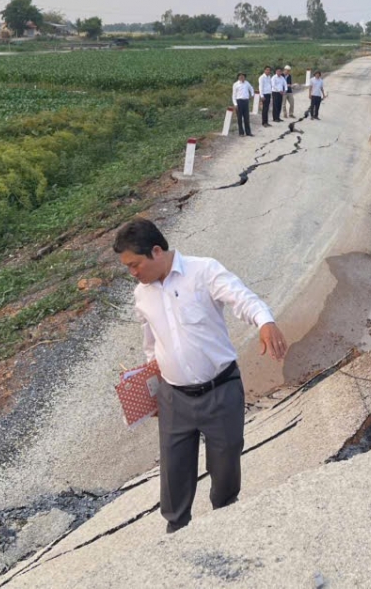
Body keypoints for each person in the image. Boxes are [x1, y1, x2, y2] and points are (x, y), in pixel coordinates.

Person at [114, 218, 288, 534]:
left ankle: (225, 520)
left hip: (220, 390)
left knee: (225, 465)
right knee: (174, 472)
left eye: (134, 264)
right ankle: (176, 532)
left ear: (156, 251)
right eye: (127, 267)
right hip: (173, 398)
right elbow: (150, 342)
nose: (133, 273)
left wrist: (265, 322)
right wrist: (152, 386)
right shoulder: (142, 295)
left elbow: (241, 297)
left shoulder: (203, 271)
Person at [231, 72, 256, 137]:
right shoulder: (235, 84)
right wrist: (235, 104)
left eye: (243, 76)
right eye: (240, 76)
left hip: (246, 101)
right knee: (239, 118)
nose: (242, 77)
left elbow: (251, 88)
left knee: (246, 117)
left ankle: (248, 132)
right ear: (238, 77)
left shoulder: (247, 83)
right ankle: (241, 132)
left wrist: (252, 94)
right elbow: (233, 95)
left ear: (245, 77)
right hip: (239, 101)